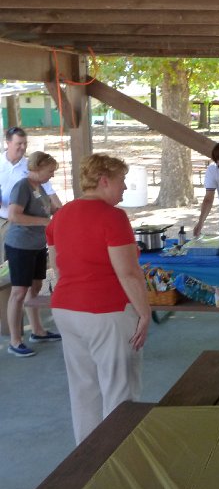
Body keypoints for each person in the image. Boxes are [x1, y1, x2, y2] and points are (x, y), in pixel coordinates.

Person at [46, 154, 150, 444]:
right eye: (121, 181)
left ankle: (87, 457)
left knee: (84, 388)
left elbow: (57, 265)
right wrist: (144, 312)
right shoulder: (112, 217)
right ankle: (118, 455)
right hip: (107, 312)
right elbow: (128, 272)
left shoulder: (61, 215)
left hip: (66, 309)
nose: (125, 187)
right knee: (120, 390)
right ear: (104, 181)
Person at [5, 152, 62, 357]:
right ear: (37, 168)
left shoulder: (40, 188)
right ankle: (15, 340)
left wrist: (61, 212)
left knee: (35, 288)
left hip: (37, 245)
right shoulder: (22, 186)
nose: (52, 175)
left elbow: (50, 210)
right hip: (20, 246)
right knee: (19, 292)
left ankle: (38, 331)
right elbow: (14, 215)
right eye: (50, 171)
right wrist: (45, 222)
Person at [0, 126, 62, 263]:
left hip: (21, 226)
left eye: (25, 143)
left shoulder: (31, 168)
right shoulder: (2, 165)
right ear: (8, 143)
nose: (23, 147)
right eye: (19, 143)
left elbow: (50, 195)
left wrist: (62, 214)